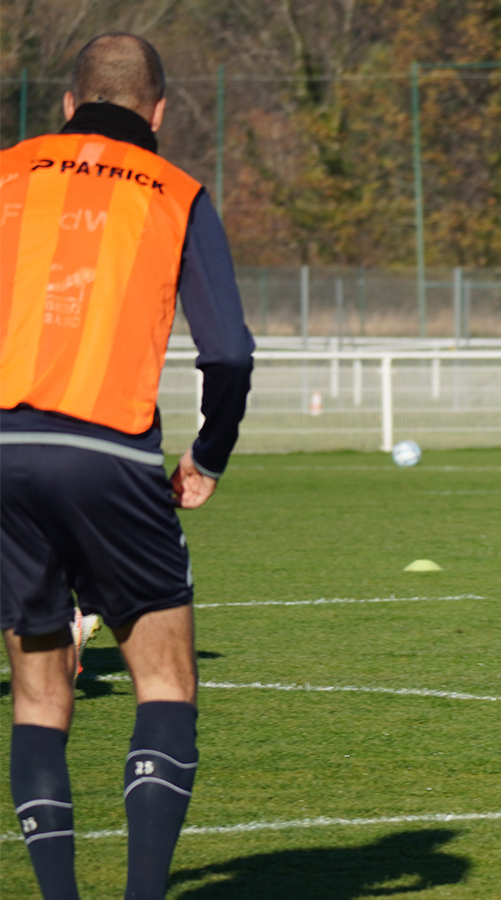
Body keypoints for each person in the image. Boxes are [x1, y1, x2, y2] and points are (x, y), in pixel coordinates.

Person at [1, 32, 254, 900]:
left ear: (67, 106)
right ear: (158, 113)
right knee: (165, 680)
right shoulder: (176, 191)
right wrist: (207, 455)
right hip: (108, 451)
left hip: (1, 452)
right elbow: (229, 355)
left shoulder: (9, 170)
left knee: (38, 695)